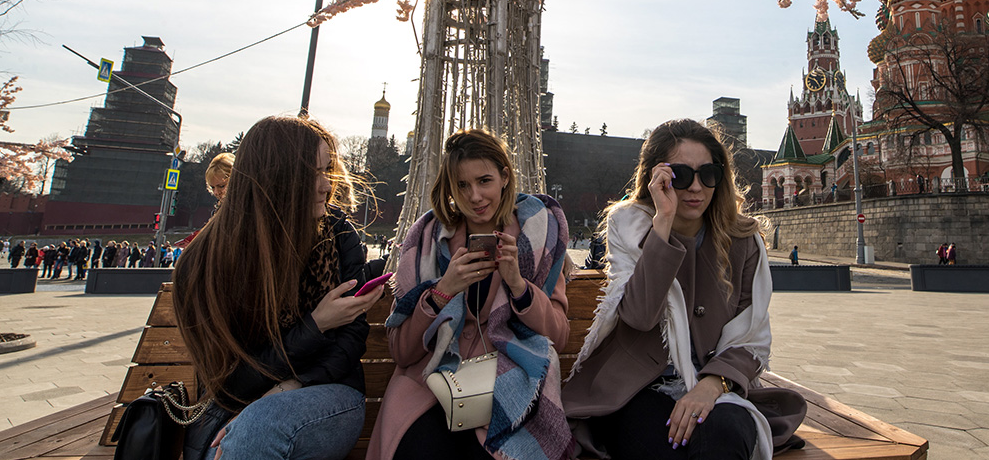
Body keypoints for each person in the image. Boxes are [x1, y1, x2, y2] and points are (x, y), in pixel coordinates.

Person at [563, 119, 806, 460]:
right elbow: (639, 315)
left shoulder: (743, 240)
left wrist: (713, 383)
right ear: (657, 178)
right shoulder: (630, 226)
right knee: (664, 446)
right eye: (681, 175)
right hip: (636, 388)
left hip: (721, 388)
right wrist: (662, 223)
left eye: (708, 174)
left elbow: (752, 332)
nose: (696, 187)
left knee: (725, 432)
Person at [173, 115, 383, 460]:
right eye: (312, 174)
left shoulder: (337, 235)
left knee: (260, 428)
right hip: (232, 407)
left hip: (325, 395)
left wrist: (287, 387)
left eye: (326, 171)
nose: (326, 186)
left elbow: (349, 343)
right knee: (253, 435)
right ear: (275, 176)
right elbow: (227, 382)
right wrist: (315, 326)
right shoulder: (205, 263)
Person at [368, 129, 573, 460]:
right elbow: (401, 352)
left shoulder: (537, 236)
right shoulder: (426, 241)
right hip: (430, 387)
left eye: (484, 181)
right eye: (462, 185)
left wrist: (519, 286)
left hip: (506, 384)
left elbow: (559, 336)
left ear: (505, 177)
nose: (475, 196)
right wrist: (442, 291)